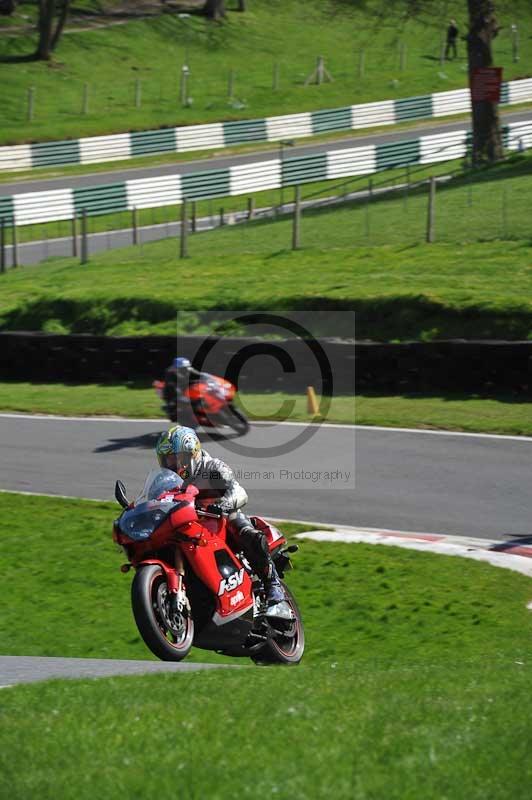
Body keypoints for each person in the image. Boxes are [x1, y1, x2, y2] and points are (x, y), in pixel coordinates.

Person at [155, 424, 286, 611]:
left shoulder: (213, 468)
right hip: (191, 527)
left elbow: (239, 492)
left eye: (175, 459)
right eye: (166, 461)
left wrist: (223, 505)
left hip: (220, 519)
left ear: (191, 453)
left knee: (243, 529)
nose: (171, 466)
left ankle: (273, 584)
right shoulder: (168, 483)